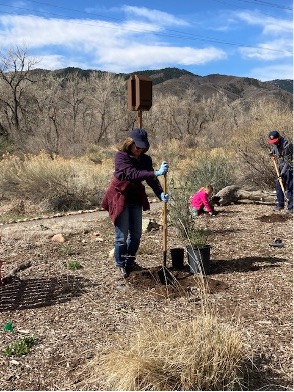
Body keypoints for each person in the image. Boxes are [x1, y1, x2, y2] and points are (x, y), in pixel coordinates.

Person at [101, 128, 169, 278]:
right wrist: (155, 172)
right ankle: (120, 264)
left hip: (135, 198)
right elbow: (132, 173)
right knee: (121, 236)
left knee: (136, 235)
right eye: (137, 147)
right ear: (130, 143)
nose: (139, 150)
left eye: (142, 147)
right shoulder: (121, 157)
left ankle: (130, 262)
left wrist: (160, 194)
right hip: (120, 197)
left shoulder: (145, 160)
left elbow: (151, 179)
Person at [268, 130, 293, 213]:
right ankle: (280, 204)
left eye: (275, 141)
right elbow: (275, 149)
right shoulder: (275, 143)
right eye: (272, 141)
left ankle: (291, 207)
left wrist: (281, 174)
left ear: (279, 138)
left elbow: (287, 162)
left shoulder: (287, 145)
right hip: (281, 166)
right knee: (279, 185)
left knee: (290, 187)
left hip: (290, 168)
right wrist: (272, 153)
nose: (273, 143)